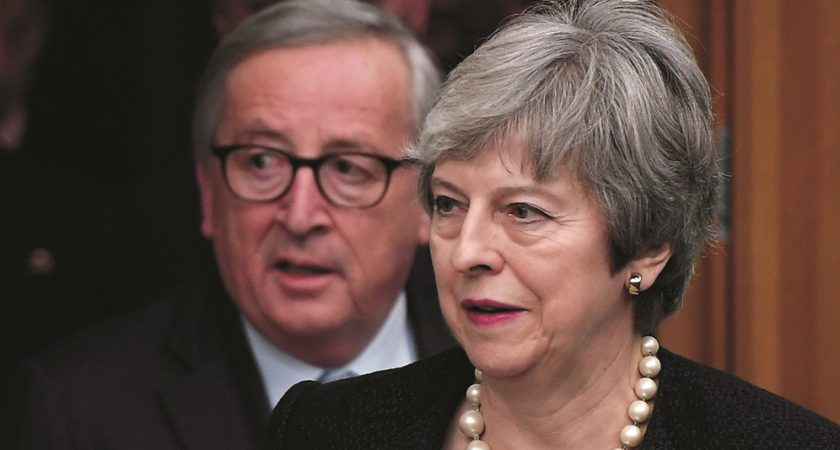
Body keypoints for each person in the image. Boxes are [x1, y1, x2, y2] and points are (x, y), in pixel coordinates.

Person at [263, 0, 840, 448]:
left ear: (646, 245)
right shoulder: (326, 429)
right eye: (448, 204)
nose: (468, 253)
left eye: (523, 212)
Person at [2, 1, 455, 449]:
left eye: (349, 168)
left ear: (426, 200)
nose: (300, 216)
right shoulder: (76, 413)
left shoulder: (500, 366)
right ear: (207, 193)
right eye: (261, 162)